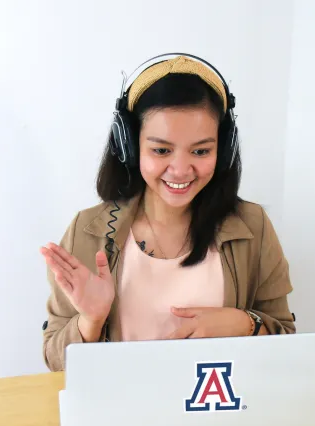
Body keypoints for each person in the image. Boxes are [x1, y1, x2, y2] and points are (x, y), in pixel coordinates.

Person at [40, 53, 295, 372]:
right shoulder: (88, 230)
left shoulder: (253, 227)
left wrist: (242, 323)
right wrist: (90, 321)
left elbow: (287, 341)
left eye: (201, 151)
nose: (180, 169)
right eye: (161, 150)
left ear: (223, 148)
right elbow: (55, 362)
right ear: (130, 146)